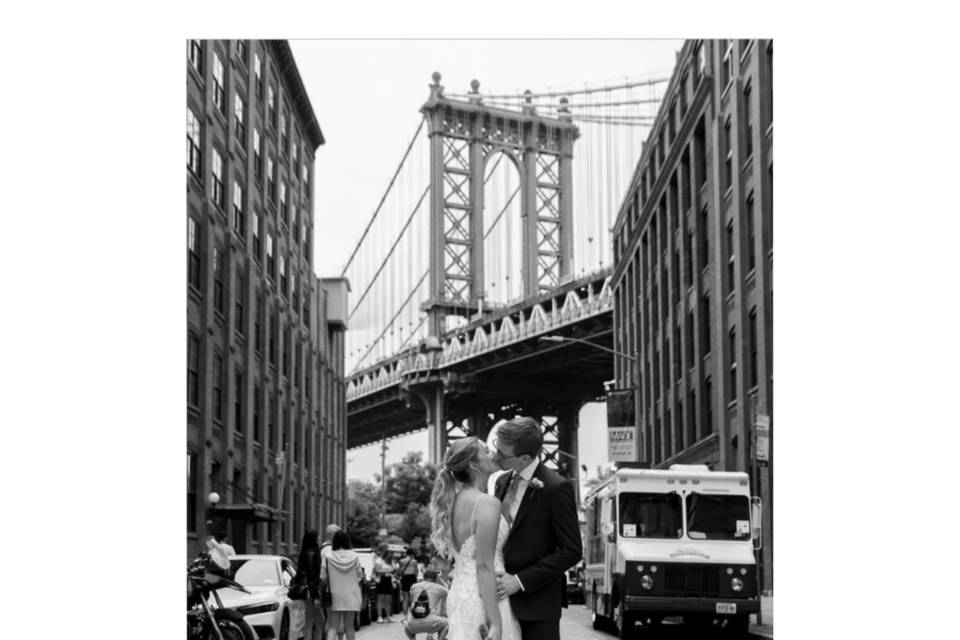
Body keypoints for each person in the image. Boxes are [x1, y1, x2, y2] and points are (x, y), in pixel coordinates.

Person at [492, 418, 582, 640]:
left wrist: (520, 581)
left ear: (524, 458)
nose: (495, 457)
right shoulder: (501, 482)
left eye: (502, 455)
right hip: (500, 602)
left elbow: (571, 551)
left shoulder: (557, 487)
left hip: (537, 607)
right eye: (496, 448)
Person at [429, 436, 521, 640]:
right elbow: (484, 566)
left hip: (462, 594)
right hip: (485, 598)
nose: (493, 454)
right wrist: (496, 623)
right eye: (486, 451)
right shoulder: (486, 503)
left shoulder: (451, 503)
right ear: (473, 465)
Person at [320, 530, 363, 640]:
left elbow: (323, 577)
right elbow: (359, 575)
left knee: (333, 626)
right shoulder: (354, 556)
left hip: (334, 594)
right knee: (349, 626)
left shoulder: (328, 556)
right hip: (351, 595)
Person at [403, 569, 449, 640]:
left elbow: (411, 601)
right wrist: (441, 579)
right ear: (435, 578)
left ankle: (412, 639)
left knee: (406, 627)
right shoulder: (439, 588)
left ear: (424, 577)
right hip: (430, 623)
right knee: (447, 623)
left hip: (413, 624)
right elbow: (449, 590)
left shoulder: (414, 586)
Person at [296, 529, 325, 640]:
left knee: (311, 621)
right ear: (314, 539)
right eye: (318, 536)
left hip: (307, 592)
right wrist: (316, 596)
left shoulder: (304, 553)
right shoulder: (313, 554)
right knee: (316, 621)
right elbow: (314, 577)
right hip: (312, 593)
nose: (319, 538)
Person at [372, 548, 397, 623]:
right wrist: (387, 571)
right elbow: (376, 570)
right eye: (390, 555)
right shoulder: (379, 561)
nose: (391, 556)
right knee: (380, 599)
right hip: (381, 580)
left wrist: (393, 570)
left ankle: (388, 616)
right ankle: (379, 617)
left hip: (389, 579)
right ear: (386, 554)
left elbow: (394, 569)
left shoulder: (390, 561)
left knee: (388, 599)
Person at [398, 547, 420, 621]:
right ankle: (414, 615)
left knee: (405, 598)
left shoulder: (401, 561)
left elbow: (400, 572)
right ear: (412, 553)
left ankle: (405, 616)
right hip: (412, 578)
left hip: (405, 578)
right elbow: (416, 572)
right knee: (413, 597)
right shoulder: (414, 561)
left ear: (406, 553)